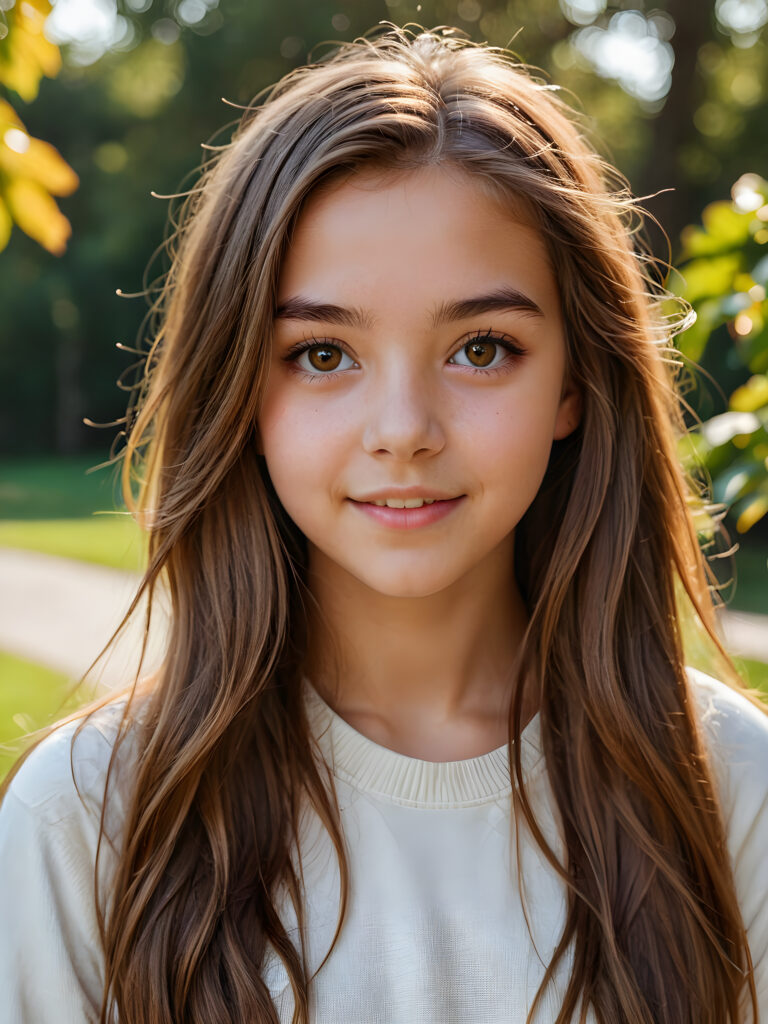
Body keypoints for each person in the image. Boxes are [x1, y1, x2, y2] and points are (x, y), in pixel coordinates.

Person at [1, 22, 767, 1024]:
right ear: (239, 390)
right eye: (323, 354)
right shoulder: (92, 816)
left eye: (482, 348)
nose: (403, 430)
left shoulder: (727, 792)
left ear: (575, 379)